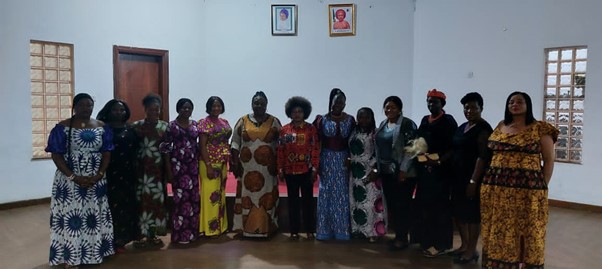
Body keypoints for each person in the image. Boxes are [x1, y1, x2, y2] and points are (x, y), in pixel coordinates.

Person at [481, 91, 558, 269]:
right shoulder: (501, 125)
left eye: (519, 101)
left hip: (527, 191)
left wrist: (541, 186)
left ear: (527, 105)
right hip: (496, 189)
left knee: (527, 228)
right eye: (511, 102)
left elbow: (548, 159)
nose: (514, 104)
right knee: (499, 227)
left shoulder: (540, 128)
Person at [46, 93, 114, 268]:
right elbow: (56, 156)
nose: (86, 108)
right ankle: (71, 257)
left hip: (95, 179)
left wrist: (98, 175)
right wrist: (73, 177)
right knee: (72, 217)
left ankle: (94, 253)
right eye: (82, 105)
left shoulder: (102, 127)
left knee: (93, 215)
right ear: (74, 107)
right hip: (69, 180)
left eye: (90, 105)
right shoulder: (61, 128)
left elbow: (107, 153)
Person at [449, 92, 493, 264]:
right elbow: (454, 149)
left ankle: (472, 250)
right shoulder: (462, 127)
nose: (469, 111)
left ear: (481, 108)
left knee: (472, 215)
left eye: (474, 107)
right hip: (458, 177)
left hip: (473, 179)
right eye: (466, 107)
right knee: (459, 212)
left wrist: (473, 182)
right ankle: (464, 245)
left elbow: (482, 157)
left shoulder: (484, 129)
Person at [231, 91, 282, 238]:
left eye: (262, 103)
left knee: (267, 197)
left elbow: (281, 143)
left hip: (268, 170)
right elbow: (235, 142)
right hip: (247, 168)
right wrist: (235, 162)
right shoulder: (243, 120)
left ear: (267, 105)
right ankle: (246, 229)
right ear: (252, 104)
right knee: (247, 197)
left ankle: (267, 228)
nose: (259, 105)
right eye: (256, 103)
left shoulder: (274, 121)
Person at [414, 89, 458, 257]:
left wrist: (439, 161)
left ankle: (441, 244)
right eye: (429, 101)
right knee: (425, 207)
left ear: (442, 104)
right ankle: (426, 240)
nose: (431, 104)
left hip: (441, 172)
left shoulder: (448, 121)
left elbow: (453, 147)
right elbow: (419, 141)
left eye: (434, 102)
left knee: (439, 209)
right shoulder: (425, 120)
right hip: (425, 171)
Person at [374, 96, 418, 250]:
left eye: (393, 107)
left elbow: (412, 149)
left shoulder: (407, 124)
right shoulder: (383, 124)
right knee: (393, 206)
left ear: (400, 109)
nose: (389, 110)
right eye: (387, 107)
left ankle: (403, 238)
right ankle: (398, 235)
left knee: (402, 206)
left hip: (403, 174)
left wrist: (403, 170)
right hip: (386, 173)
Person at [96, 99, 139, 253]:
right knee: (110, 205)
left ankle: (122, 238)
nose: (119, 113)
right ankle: (108, 239)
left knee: (126, 205)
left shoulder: (131, 128)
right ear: (109, 111)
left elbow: (136, 150)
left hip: (127, 173)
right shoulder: (102, 129)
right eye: (115, 110)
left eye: (122, 110)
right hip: (108, 172)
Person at [313, 88, 355, 240]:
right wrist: (316, 163)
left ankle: (341, 230)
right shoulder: (322, 120)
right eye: (336, 102)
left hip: (343, 160)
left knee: (341, 195)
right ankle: (324, 230)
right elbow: (316, 142)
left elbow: (354, 141)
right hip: (327, 159)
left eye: (341, 102)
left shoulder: (350, 120)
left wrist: (350, 158)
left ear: (345, 104)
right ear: (331, 102)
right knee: (326, 193)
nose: (338, 104)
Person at [277, 96, 320, 240]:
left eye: (300, 111)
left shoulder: (311, 129)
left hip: (306, 171)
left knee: (308, 202)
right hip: (290, 172)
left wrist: (314, 168)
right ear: (289, 112)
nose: (297, 114)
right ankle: (294, 231)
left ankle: (309, 230)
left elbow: (315, 149)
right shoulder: (284, 130)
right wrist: (280, 169)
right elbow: (280, 150)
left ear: (305, 113)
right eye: (294, 111)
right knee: (292, 202)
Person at [159, 98, 200, 244]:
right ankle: (179, 235)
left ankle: (192, 234)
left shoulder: (195, 124)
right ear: (178, 109)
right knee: (179, 200)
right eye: (183, 108)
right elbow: (165, 149)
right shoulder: (171, 126)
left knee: (193, 199)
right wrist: (169, 170)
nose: (186, 110)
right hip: (178, 167)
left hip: (193, 167)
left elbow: (198, 146)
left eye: (189, 108)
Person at [132, 94, 169, 248]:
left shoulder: (164, 127)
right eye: (151, 109)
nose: (154, 112)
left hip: (158, 172)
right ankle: (140, 236)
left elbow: (167, 150)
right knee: (141, 204)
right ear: (145, 109)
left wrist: (168, 171)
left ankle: (153, 235)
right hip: (141, 172)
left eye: (157, 109)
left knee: (156, 204)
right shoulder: (135, 126)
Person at [349, 107, 388, 242]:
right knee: (357, 204)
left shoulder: (376, 134)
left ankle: (373, 233)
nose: (363, 120)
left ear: (372, 118)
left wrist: (376, 171)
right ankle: (359, 231)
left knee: (370, 204)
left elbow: (381, 154)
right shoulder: (353, 132)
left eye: (367, 117)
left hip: (371, 172)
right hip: (355, 173)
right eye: (361, 117)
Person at [198, 96, 232, 237]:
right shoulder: (204, 123)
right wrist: (208, 166)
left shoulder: (224, 122)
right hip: (209, 163)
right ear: (208, 107)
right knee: (210, 196)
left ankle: (220, 227)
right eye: (213, 106)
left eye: (218, 106)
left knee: (220, 196)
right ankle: (209, 229)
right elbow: (202, 146)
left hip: (222, 162)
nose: (216, 108)